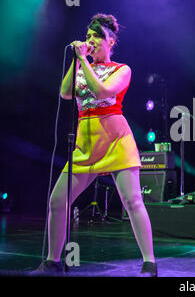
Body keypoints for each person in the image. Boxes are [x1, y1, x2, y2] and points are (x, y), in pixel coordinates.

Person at [34, 14, 157, 276]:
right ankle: (52, 262)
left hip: (115, 140)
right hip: (85, 144)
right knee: (58, 201)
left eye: (96, 36)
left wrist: (84, 63)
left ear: (110, 40)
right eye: (88, 36)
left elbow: (102, 92)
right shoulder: (82, 67)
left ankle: (150, 262)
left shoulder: (122, 69)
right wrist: (79, 61)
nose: (90, 40)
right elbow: (66, 92)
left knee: (132, 200)